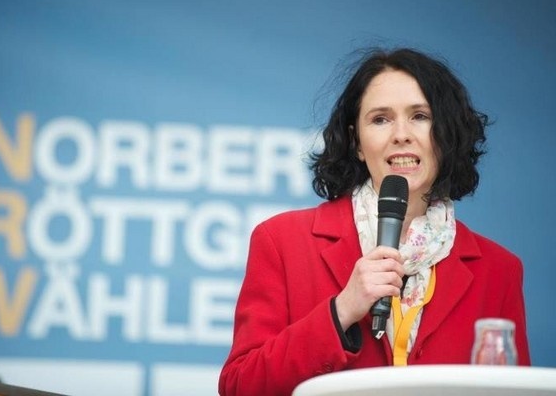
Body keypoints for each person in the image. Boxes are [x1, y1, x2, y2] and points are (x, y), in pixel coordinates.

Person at [218, 47, 531, 396]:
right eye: (380, 119)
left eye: (420, 116)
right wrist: (341, 311)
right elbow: (240, 387)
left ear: (447, 136)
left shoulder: (499, 270)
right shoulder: (282, 241)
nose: (401, 134)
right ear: (357, 143)